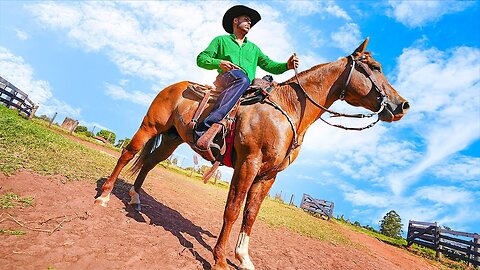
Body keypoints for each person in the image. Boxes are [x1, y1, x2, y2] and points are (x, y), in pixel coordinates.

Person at [195, 5, 299, 150]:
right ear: (235, 21)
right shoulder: (221, 40)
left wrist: (286, 65)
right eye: (246, 19)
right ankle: (206, 126)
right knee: (242, 79)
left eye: (250, 21)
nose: (249, 23)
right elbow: (201, 59)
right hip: (227, 79)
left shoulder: (254, 48)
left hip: (245, 85)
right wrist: (220, 62)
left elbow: (270, 65)